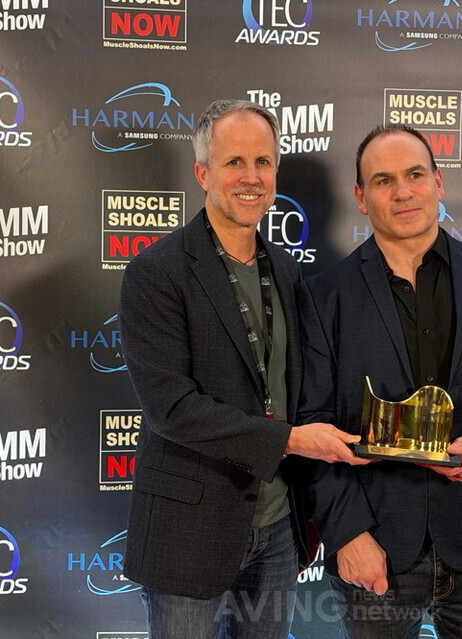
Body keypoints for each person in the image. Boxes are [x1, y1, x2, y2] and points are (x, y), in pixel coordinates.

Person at [118, 99, 369, 639]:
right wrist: (292, 440)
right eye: (234, 162)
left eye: (263, 162)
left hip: (278, 529)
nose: (251, 177)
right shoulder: (155, 273)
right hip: (188, 529)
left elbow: (295, 390)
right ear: (203, 173)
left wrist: (312, 505)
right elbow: (171, 408)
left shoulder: (288, 271)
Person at [296, 124, 462, 638]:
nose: (403, 191)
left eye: (415, 175)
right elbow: (309, 424)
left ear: (438, 182)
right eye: (383, 180)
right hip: (374, 547)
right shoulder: (323, 297)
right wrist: (347, 534)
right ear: (360, 197)